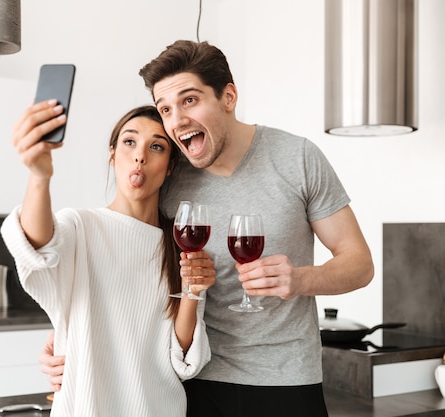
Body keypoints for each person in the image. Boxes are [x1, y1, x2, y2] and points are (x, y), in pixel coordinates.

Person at [39, 40, 375, 416]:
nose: (177, 120)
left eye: (189, 100)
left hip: (287, 380)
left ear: (228, 96)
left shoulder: (297, 157)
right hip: (193, 383)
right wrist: (64, 334)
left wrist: (299, 280)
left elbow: (359, 264)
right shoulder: (169, 175)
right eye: (166, 108)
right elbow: (118, 258)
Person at [0, 102, 215, 416]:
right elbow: (37, 245)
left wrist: (193, 290)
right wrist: (39, 176)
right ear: (113, 155)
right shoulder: (80, 226)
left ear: (169, 166)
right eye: (129, 142)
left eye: (156, 146)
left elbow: (180, 360)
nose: (140, 155)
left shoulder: (183, 245)